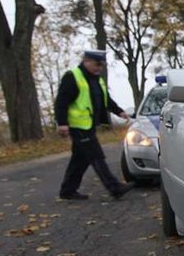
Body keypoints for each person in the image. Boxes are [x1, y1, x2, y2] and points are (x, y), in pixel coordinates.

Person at [54, 49, 134, 200]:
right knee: (96, 156)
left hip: (88, 125)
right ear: (86, 61)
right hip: (78, 126)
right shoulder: (73, 77)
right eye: (97, 64)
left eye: (102, 65)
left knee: (80, 159)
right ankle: (114, 187)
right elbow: (61, 102)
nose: (99, 68)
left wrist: (119, 111)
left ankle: (67, 190)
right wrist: (62, 123)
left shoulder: (96, 79)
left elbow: (105, 99)